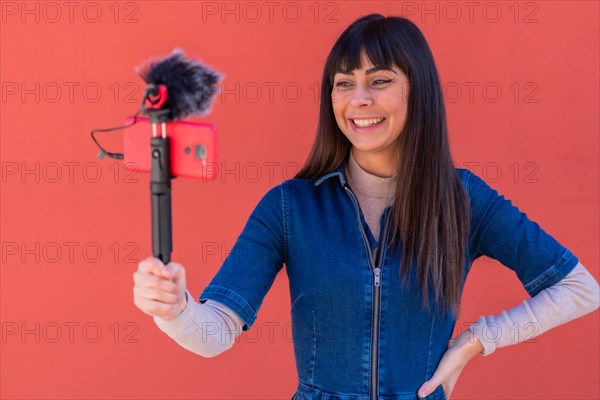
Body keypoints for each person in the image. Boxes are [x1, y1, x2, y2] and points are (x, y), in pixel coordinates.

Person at [132, 14, 600, 400]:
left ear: (417, 91)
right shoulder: (290, 207)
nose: (359, 100)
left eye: (379, 80)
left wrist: (476, 342)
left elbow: (581, 289)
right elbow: (215, 332)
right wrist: (174, 309)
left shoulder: (462, 199)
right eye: (343, 83)